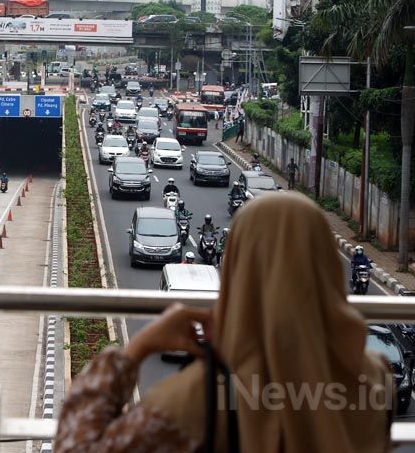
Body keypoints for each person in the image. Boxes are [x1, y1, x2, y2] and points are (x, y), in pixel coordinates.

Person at [55, 194, 393, 453]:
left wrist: (138, 348)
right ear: (329, 267)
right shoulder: (375, 379)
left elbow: (74, 446)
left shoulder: (198, 398)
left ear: (236, 272)